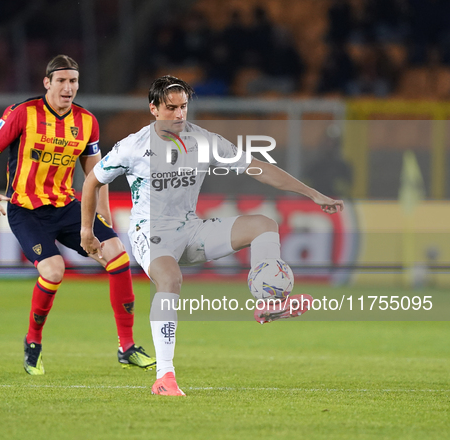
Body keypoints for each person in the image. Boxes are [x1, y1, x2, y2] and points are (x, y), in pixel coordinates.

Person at [80, 75, 344, 396]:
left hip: (190, 228)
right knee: (170, 279)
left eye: (184, 107)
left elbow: (257, 167)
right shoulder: (133, 146)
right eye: (171, 108)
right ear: (153, 109)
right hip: (150, 233)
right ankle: (165, 377)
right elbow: (93, 180)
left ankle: (268, 303)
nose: (179, 115)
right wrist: (87, 229)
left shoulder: (203, 140)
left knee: (263, 224)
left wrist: (312, 193)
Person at [0, 55, 155, 376]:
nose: (68, 87)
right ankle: (33, 342)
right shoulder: (22, 113)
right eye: (61, 81)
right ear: (47, 83)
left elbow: (98, 173)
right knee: (54, 270)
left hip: (66, 206)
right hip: (27, 211)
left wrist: (104, 218)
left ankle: (126, 347)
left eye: (73, 81)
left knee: (117, 255)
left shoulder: (87, 122)